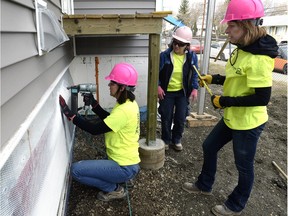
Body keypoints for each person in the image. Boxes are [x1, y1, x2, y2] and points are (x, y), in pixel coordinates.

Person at [182, 0, 279, 215]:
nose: (226, 30)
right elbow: (237, 78)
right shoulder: (242, 48)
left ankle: (236, 204)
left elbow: (262, 97)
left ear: (246, 25)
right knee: (209, 146)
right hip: (233, 116)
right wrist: (214, 78)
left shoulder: (260, 58)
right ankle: (205, 185)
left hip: (248, 122)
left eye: (231, 25)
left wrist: (224, 101)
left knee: (243, 166)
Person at [59, 62, 141, 202]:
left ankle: (115, 189)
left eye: (112, 83)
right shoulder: (128, 104)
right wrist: (94, 104)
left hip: (124, 166)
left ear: (122, 87)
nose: (109, 85)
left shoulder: (123, 110)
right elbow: (110, 120)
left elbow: (95, 130)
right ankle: (120, 178)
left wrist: (72, 116)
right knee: (90, 169)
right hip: (127, 160)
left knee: (76, 170)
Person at [158, 26, 199, 151]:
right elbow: (155, 73)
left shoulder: (192, 57)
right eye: (175, 42)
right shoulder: (164, 56)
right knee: (166, 117)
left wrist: (194, 88)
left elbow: (195, 73)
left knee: (181, 117)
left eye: (180, 44)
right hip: (167, 92)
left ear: (186, 45)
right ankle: (165, 139)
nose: (176, 46)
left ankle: (176, 140)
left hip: (182, 93)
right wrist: (158, 86)